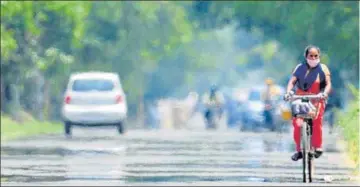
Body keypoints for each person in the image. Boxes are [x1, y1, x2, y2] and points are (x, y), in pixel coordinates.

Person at [284, 45, 332, 161]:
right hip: (301, 98)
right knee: (297, 123)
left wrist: (324, 93)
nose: (314, 58)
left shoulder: (323, 68)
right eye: (311, 56)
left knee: (316, 120)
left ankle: (317, 147)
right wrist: (289, 92)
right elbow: (292, 82)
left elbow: (328, 84)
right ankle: (299, 150)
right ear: (306, 56)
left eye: (316, 56)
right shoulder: (300, 68)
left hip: (317, 98)